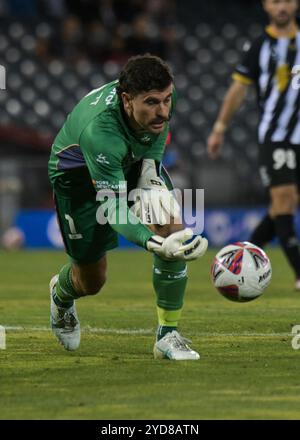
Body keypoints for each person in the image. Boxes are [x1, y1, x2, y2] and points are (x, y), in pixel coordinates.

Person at [48, 54, 208, 360]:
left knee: (171, 226)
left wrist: (151, 167)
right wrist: (153, 243)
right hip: (76, 180)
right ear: (126, 100)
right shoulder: (101, 132)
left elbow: (159, 130)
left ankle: (167, 335)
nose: (162, 110)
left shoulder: (161, 98)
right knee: (92, 280)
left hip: (130, 162)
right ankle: (61, 294)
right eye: (152, 102)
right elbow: (113, 209)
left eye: (167, 100)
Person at [207, 0, 300, 290]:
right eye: (275, 1)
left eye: (286, 0)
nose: (281, 6)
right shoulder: (259, 47)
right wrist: (219, 128)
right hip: (276, 137)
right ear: (265, 6)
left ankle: (238, 256)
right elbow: (238, 90)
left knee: (280, 207)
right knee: (284, 198)